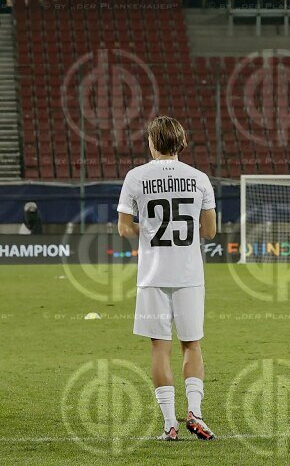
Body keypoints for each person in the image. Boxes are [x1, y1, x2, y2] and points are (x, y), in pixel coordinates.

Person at [117, 115, 217, 441]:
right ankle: (195, 413)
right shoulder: (199, 178)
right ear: (181, 142)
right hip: (189, 274)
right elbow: (210, 231)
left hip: (153, 276)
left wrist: (145, 230)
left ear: (151, 142)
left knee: (160, 348)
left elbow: (123, 228)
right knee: (192, 344)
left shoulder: (136, 177)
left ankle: (169, 424)